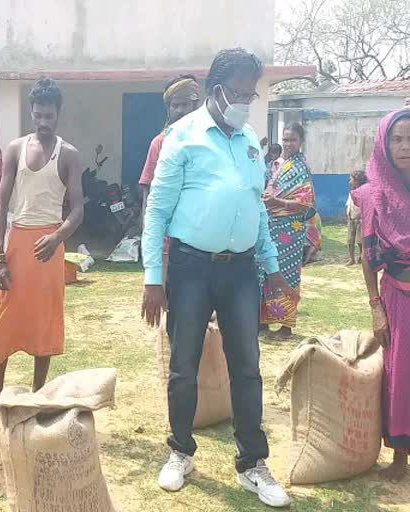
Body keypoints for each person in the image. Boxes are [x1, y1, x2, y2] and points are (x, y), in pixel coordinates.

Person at [140, 48, 292, 508]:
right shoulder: (180, 138)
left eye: (252, 93)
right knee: (183, 365)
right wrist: (153, 277)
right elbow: (157, 212)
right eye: (240, 92)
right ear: (216, 90)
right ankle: (180, 451)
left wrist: (272, 265)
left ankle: (252, 463)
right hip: (190, 268)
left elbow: (256, 206)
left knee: (247, 366)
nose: (246, 101)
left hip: (241, 270)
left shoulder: (249, 141)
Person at [0, 77, 84, 431]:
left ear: (58, 115)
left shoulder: (69, 155)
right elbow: (0, 206)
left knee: (43, 327)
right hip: (16, 246)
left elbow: (77, 209)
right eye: (38, 115)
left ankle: (38, 401)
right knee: (0, 327)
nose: (43, 122)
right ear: (31, 113)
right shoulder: (14, 148)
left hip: (48, 249)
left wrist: (58, 236)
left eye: (49, 116)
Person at [355, 109, 410, 483]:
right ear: (384, 144)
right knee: (401, 375)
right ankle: (400, 458)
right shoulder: (375, 194)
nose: (405, 146)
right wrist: (377, 308)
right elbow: (367, 257)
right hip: (398, 296)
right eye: (397, 139)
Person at [259, 123, 315, 340]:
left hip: (290, 232)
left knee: (287, 275)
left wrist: (275, 201)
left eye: (292, 140)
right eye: (285, 139)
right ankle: (264, 320)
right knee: (266, 271)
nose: (288, 144)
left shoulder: (300, 167)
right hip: (272, 227)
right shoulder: (282, 164)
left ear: (301, 142)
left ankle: (286, 326)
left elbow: (305, 203)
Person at [138, 75, 201, 212]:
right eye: (175, 105)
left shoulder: (209, 140)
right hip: (168, 226)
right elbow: (149, 194)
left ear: (195, 106)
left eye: (185, 105)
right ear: (168, 108)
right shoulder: (160, 143)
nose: (180, 110)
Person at [346, 170, 368, 266]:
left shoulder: (362, 192)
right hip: (351, 217)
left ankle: (361, 256)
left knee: (360, 241)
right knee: (350, 239)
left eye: (350, 179)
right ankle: (351, 259)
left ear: (357, 181)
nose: (349, 182)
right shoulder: (351, 192)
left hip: (360, 219)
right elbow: (349, 204)